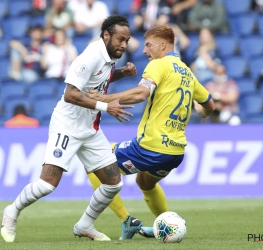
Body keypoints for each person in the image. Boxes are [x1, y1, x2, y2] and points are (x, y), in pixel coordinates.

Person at [1, 14, 139, 243]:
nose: (124, 45)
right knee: (47, 185)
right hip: (67, 125)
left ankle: (85, 225)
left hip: (90, 128)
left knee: (114, 183)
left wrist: (122, 73)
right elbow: (70, 94)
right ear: (106, 35)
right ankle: (12, 211)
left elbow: (97, 81)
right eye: (120, 40)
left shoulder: (108, 55)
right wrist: (106, 106)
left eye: (127, 40)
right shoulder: (90, 55)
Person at [87, 24, 215, 239]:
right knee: (144, 182)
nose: (144, 50)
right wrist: (202, 112)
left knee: (93, 162)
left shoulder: (159, 64)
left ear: (163, 45)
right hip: (175, 153)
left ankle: (126, 221)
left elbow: (140, 94)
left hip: (150, 147)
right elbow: (209, 103)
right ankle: (171, 225)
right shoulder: (187, 71)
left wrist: (103, 98)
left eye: (149, 45)